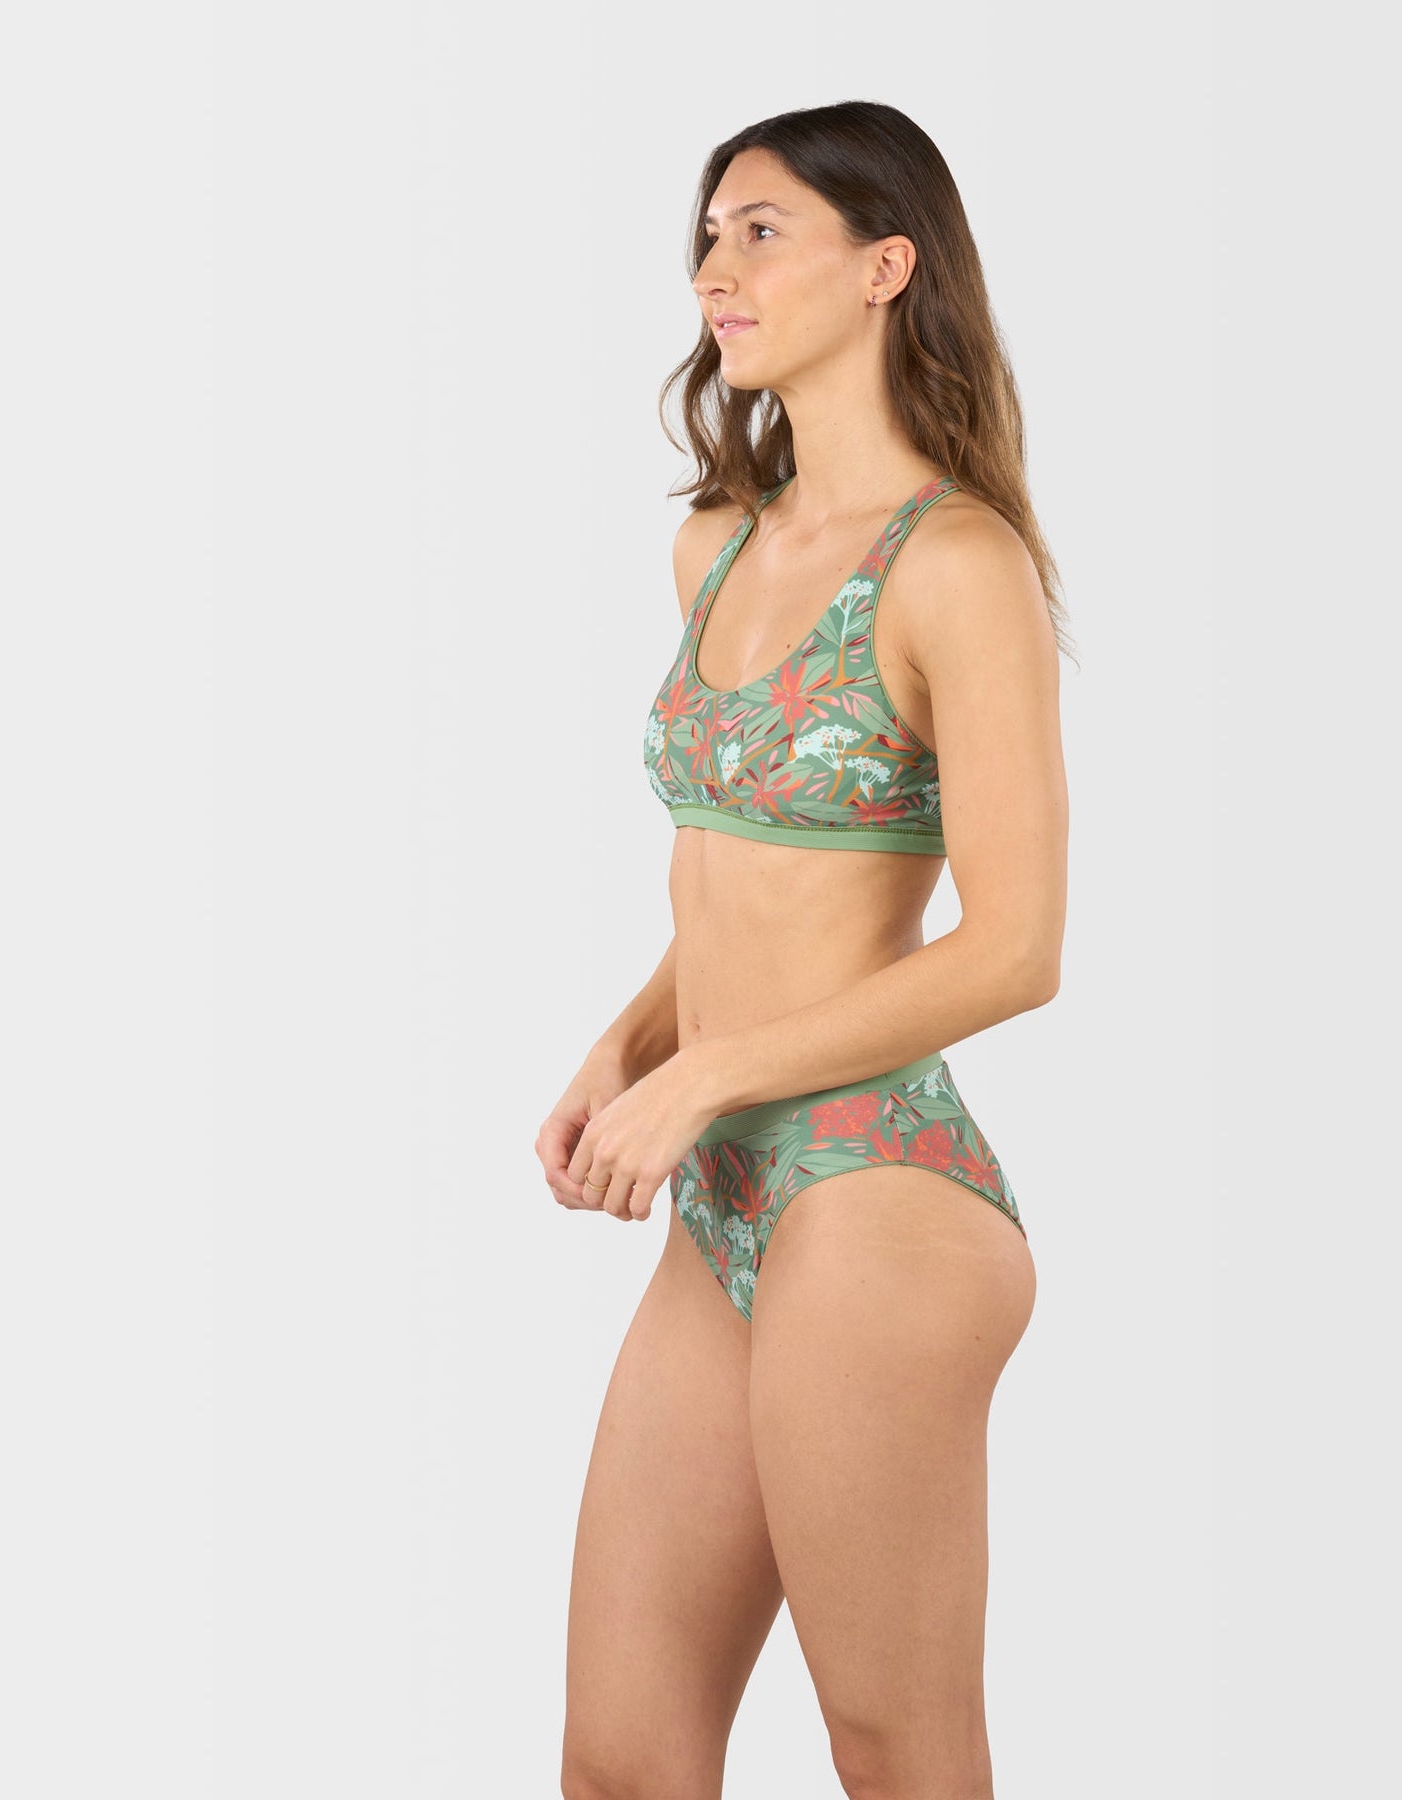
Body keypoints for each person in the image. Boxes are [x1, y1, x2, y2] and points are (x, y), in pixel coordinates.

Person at [540, 100, 1072, 1800]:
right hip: (726, 1195)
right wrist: (630, 1045)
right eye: (709, 235)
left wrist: (707, 1074)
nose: (717, 268)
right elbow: (741, 882)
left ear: (886, 266)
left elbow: (1018, 949)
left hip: (874, 1191)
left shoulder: (958, 564)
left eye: (761, 231)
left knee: (895, 1751)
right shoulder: (717, 547)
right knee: (623, 1761)